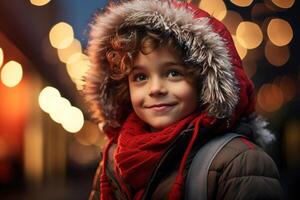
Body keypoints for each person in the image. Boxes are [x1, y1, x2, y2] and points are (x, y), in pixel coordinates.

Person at [83, 0, 283, 199]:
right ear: (124, 87)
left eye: (173, 73)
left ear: (203, 82)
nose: (155, 89)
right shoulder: (113, 159)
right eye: (140, 77)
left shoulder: (239, 163)